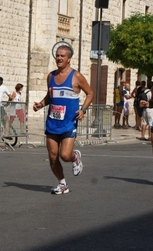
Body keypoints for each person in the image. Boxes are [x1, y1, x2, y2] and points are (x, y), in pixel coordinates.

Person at [33, 45, 93, 195]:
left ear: (69, 59)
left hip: (68, 122)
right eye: (57, 56)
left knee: (65, 155)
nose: (59, 58)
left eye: (62, 56)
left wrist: (83, 109)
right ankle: (62, 184)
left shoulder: (76, 76)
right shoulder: (50, 76)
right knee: (52, 157)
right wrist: (41, 104)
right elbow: (51, 95)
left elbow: (90, 93)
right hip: (52, 122)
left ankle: (75, 157)